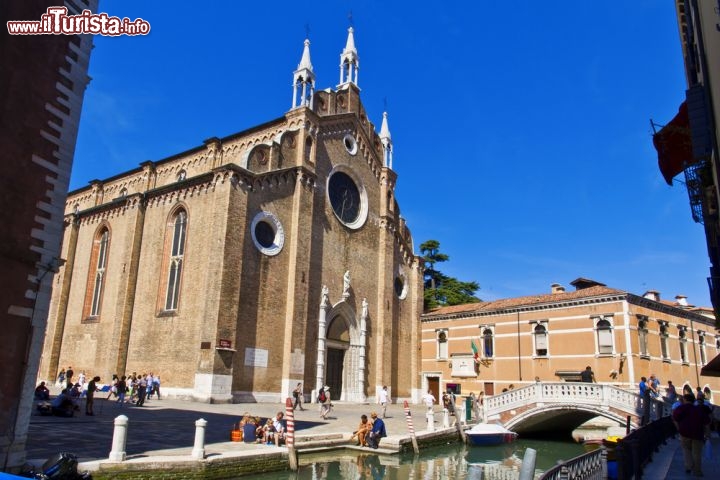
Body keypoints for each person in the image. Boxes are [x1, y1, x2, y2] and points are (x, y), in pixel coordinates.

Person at [673, 392, 710, 477]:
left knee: (686, 451)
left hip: (684, 433)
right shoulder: (698, 410)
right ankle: (697, 471)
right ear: (693, 401)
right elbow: (707, 422)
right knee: (697, 453)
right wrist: (707, 434)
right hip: (698, 434)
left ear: (685, 400)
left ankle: (688, 467)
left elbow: (674, 418)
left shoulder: (680, 408)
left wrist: (678, 428)